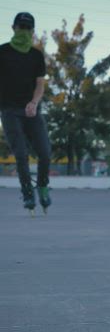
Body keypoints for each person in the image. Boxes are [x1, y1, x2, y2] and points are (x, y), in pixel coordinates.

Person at [0, 12, 51, 212]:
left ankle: (43, 186)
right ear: (13, 28)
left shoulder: (36, 55)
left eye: (27, 28)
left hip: (31, 110)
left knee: (45, 152)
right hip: (9, 110)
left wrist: (34, 102)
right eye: (21, 27)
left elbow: (40, 85)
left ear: (32, 31)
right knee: (21, 155)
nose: (24, 31)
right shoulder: (2, 52)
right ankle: (27, 192)